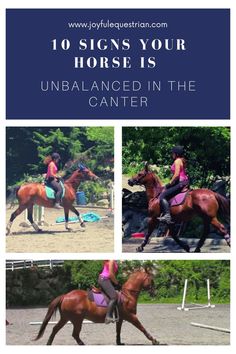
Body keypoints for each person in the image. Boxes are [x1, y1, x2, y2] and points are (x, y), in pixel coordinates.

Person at [158, 146, 189, 224]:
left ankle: (167, 216)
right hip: (184, 181)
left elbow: (176, 175)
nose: (172, 154)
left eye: (173, 153)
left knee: (162, 196)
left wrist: (169, 183)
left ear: (176, 154)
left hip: (180, 182)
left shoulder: (177, 161)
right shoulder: (182, 160)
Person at [98, 260, 120, 324]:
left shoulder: (111, 260)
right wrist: (117, 283)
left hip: (105, 279)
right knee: (114, 297)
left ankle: (116, 314)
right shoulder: (112, 260)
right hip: (104, 279)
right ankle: (108, 316)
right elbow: (110, 274)